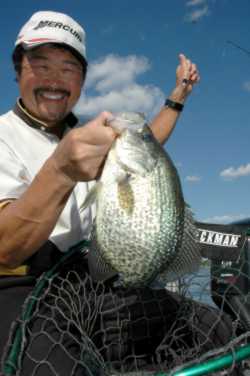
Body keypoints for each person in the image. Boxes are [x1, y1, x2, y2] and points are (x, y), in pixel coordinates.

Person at [0, 10, 237, 376]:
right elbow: (5, 247)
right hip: (22, 288)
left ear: (81, 80)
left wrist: (177, 97)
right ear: (18, 71)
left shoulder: (85, 136)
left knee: (214, 328)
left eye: (68, 68)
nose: (54, 79)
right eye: (40, 64)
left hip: (91, 280)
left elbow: (145, 152)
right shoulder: (4, 137)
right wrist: (61, 170)